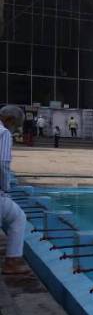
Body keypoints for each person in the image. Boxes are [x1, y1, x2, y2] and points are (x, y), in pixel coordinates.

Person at [0, 105, 29, 274]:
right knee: (18, 218)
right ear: (9, 120)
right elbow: (3, 165)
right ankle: (12, 262)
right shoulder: (3, 133)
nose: (14, 129)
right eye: (15, 126)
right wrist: (5, 188)